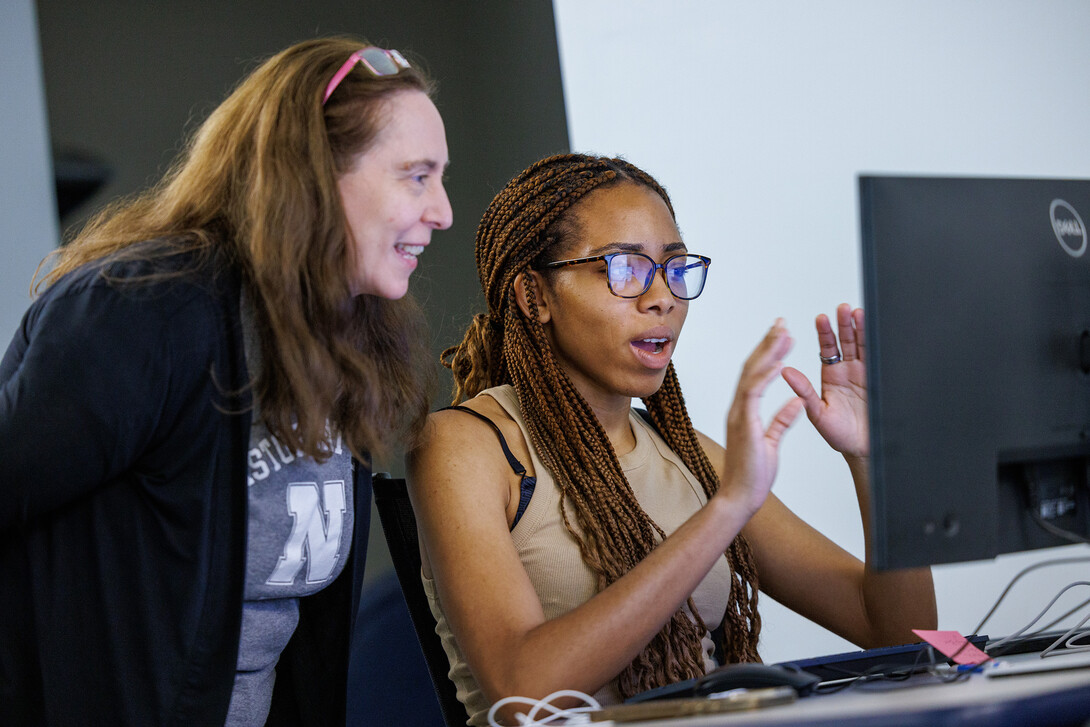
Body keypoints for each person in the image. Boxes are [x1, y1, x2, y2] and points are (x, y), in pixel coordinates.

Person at [0, 37, 452, 725]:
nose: (442, 210)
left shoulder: (339, 339)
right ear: (314, 173)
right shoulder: (145, 309)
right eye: (416, 177)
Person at [406, 153, 936, 725]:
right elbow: (524, 694)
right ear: (534, 296)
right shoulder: (461, 446)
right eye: (624, 268)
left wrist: (872, 460)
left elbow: (900, 636)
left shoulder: (690, 456)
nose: (662, 297)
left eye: (674, 269)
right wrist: (726, 511)